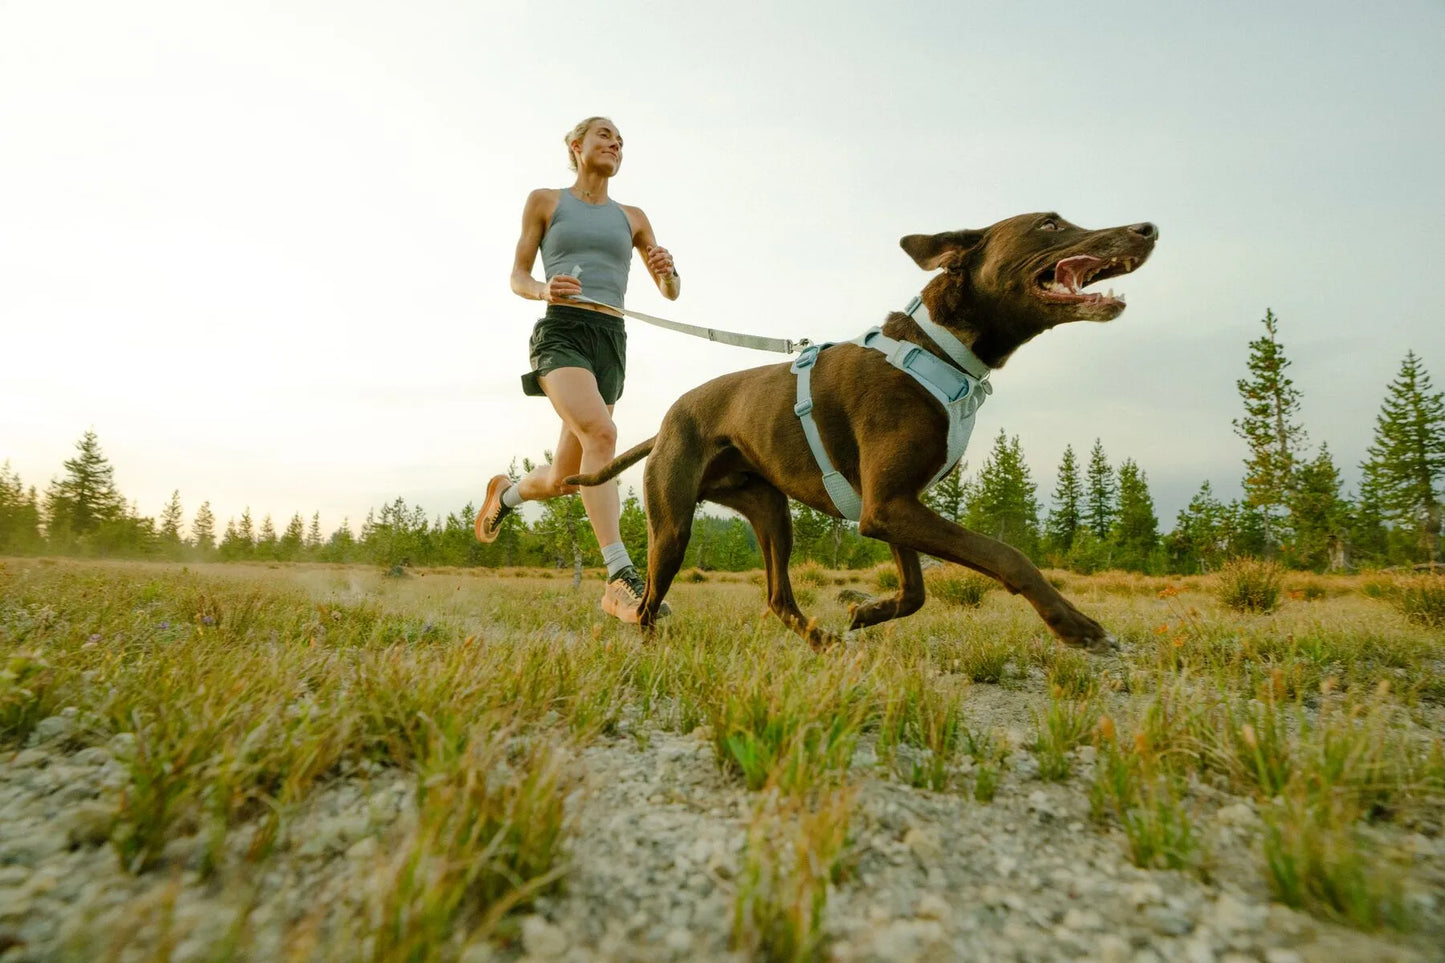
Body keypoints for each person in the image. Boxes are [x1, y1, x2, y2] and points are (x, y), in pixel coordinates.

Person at [475, 116, 680, 622]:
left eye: (621, 141)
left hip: (611, 341)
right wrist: (545, 289)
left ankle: (506, 493)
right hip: (562, 332)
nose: (615, 144)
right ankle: (619, 577)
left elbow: (671, 292)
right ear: (576, 146)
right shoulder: (546, 201)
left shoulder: (632, 217)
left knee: (568, 479)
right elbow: (518, 277)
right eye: (605, 135)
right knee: (603, 435)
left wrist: (667, 270)